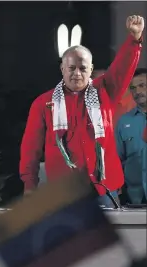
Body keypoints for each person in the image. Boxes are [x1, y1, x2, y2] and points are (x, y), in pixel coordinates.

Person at [20, 15, 144, 207]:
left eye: (82, 68)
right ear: (62, 68)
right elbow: (31, 149)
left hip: (104, 187)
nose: (77, 73)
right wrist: (30, 186)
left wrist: (134, 40)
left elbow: (122, 68)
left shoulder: (105, 92)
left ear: (91, 69)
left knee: (106, 238)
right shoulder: (43, 103)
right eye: (71, 68)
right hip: (64, 191)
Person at [116, 68, 147, 204]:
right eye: (133, 88)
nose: (137, 92)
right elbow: (117, 160)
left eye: (142, 86)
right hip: (134, 199)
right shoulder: (124, 122)